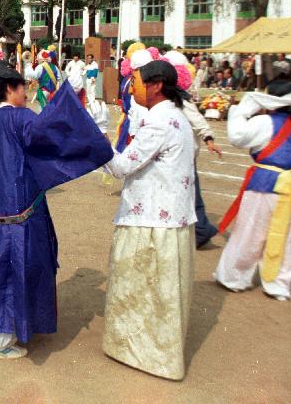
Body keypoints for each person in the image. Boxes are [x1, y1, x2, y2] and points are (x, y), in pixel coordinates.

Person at [0, 62, 112, 359]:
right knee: (18, 271)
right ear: (11, 88)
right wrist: (86, 132)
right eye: (24, 87)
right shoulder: (18, 117)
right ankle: (0, 342)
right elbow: (48, 136)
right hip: (19, 215)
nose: (27, 93)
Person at [102, 52, 197, 380]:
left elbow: (121, 167)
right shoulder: (178, 117)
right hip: (169, 217)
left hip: (151, 219)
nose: (130, 89)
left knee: (141, 290)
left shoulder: (158, 121)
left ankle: (146, 354)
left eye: (136, 83)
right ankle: (153, 353)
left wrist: (97, 144)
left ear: (156, 86)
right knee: (159, 294)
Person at [214, 77, 291, 300]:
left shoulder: (264, 123)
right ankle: (278, 284)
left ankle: (234, 277)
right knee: (287, 237)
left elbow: (237, 137)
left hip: (265, 181)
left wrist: (240, 111)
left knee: (251, 231)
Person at [164, 51, 221, 248]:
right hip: (177, 154)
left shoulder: (180, 98)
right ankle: (198, 229)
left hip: (184, 155)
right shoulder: (169, 97)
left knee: (191, 194)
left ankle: (202, 230)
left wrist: (208, 137)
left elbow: (197, 119)